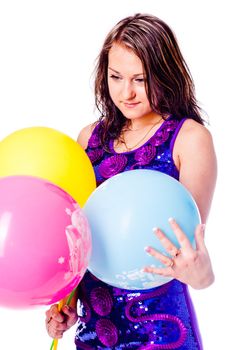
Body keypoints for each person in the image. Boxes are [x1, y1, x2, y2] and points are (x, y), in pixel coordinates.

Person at [45, 13, 217, 349]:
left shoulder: (189, 139)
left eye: (141, 79)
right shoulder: (88, 138)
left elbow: (194, 256)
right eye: (116, 76)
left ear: (165, 74)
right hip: (95, 330)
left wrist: (203, 275)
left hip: (161, 330)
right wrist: (65, 304)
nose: (127, 92)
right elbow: (80, 239)